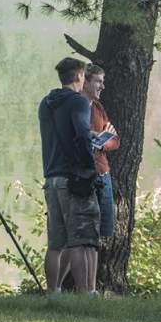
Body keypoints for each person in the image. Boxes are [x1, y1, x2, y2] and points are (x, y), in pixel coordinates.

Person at [38, 57, 100, 293]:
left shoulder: (46, 103)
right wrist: (88, 167)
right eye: (84, 75)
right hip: (72, 179)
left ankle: (52, 292)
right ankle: (86, 293)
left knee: (55, 244)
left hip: (51, 178)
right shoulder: (78, 102)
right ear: (79, 76)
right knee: (78, 240)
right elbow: (82, 136)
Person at [79, 63, 120, 291]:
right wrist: (94, 137)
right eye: (98, 81)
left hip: (103, 173)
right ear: (85, 81)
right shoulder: (76, 107)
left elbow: (115, 138)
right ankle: (82, 288)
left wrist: (101, 140)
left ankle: (91, 288)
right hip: (85, 176)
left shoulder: (98, 107)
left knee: (100, 232)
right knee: (84, 233)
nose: (102, 86)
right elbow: (78, 139)